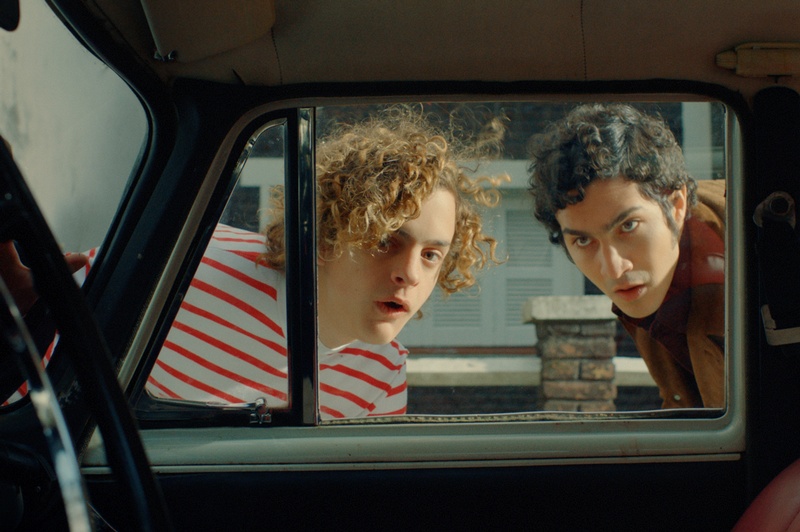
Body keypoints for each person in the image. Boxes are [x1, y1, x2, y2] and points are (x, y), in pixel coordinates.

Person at [1, 108, 507, 420]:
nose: (411, 274)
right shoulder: (187, 265)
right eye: (384, 241)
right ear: (327, 233)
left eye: (432, 255)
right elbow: (28, 392)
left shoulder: (383, 374)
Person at [527, 103, 725, 409]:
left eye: (628, 226)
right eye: (583, 240)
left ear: (676, 205)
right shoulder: (653, 288)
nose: (614, 268)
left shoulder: (759, 253)